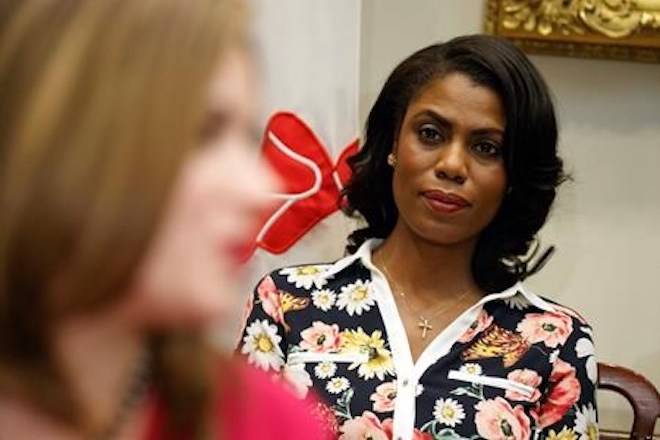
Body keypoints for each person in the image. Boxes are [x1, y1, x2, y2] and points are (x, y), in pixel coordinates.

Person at [239, 35, 598, 439]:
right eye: (430, 134)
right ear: (393, 143)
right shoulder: (286, 303)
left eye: (486, 147)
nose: (451, 165)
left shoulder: (557, 340)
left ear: (513, 177)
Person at [0, 0, 327, 438]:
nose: (254, 188)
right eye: (204, 133)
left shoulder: (262, 421)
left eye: (245, 139)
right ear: (58, 140)